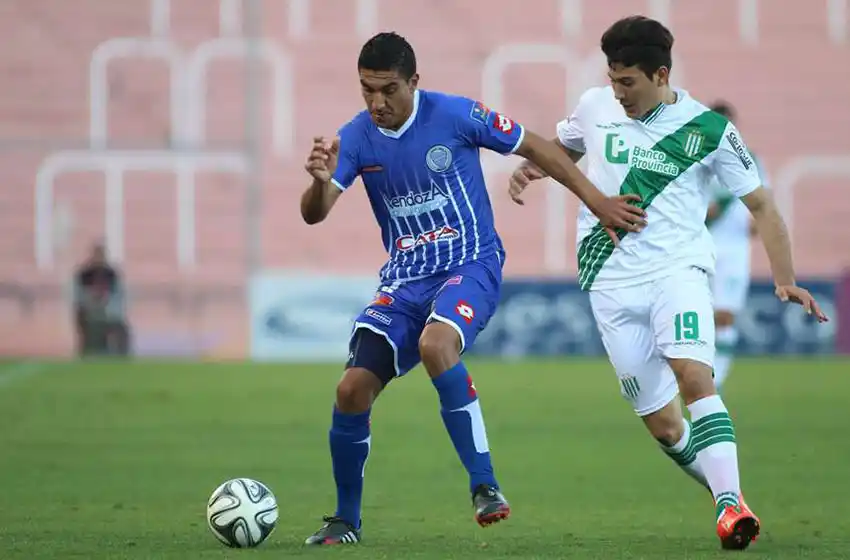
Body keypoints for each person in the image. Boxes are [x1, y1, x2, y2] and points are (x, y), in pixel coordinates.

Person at [299, 31, 646, 546]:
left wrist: (596, 201)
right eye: (367, 90)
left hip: (471, 264)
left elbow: (534, 145)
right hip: (404, 281)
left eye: (388, 89)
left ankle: (484, 484)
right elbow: (315, 214)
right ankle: (345, 520)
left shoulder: (457, 115)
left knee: (436, 344)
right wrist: (321, 182)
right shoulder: (354, 138)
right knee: (350, 390)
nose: (377, 102)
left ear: (414, 82)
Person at [508, 16, 827, 551]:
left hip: (677, 272)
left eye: (628, 82)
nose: (618, 92)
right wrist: (532, 169)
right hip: (608, 279)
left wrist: (784, 277)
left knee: (694, 375)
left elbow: (763, 204)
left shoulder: (708, 129)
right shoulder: (594, 106)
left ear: (661, 74)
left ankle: (728, 507)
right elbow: (560, 148)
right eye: (612, 80)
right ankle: (733, 498)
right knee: (663, 427)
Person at [704, 101, 767, 390]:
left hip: (734, 249)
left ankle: (716, 381)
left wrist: (758, 223)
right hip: (699, 245)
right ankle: (696, 376)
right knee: (698, 316)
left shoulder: (749, 160)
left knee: (725, 315)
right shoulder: (696, 160)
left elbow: (762, 205)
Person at [73, 242, 131, 356]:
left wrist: (109, 310)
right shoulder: (84, 275)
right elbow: (79, 297)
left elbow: (118, 296)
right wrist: (92, 304)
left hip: (108, 314)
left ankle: (122, 357)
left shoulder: (112, 274)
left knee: (122, 330)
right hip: (89, 313)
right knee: (91, 330)